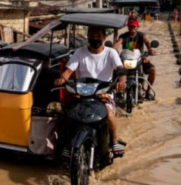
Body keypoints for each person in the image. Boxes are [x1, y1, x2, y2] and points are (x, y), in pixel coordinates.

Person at [54, 26, 127, 156]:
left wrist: (122, 81)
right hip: (82, 93)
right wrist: (62, 79)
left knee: (109, 115)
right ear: (87, 37)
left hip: (103, 93)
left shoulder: (111, 53)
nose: (95, 39)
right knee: (68, 115)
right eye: (92, 36)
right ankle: (69, 143)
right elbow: (68, 71)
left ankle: (114, 140)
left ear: (104, 38)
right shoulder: (79, 52)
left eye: (98, 36)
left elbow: (120, 69)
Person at [113, 17, 156, 99]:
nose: (132, 28)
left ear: (137, 27)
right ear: (128, 27)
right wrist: (111, 51)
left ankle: (148, 91)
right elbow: (117, 44)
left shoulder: (141, 35)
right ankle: (116, 90)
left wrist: (150, 48)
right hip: (125, 59)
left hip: (140, 58)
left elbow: (147, 42)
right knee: (113, 70)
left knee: (152, 69)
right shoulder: (123, 36)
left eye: (134, 26)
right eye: (130, 26)